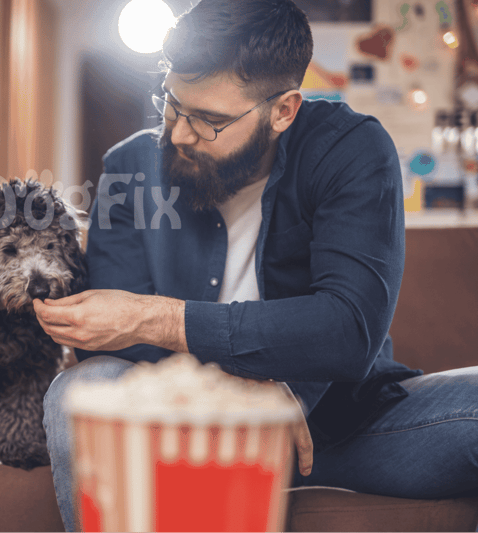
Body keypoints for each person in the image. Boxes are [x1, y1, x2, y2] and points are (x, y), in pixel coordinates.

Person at [33, 0, 478, 531]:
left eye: (211, 120)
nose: (179, 133)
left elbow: (347, 328)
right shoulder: (129, 167)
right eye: (172, 103)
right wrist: (236, 395)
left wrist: (164, 320)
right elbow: (112, 337)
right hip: (180, 425)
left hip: (338, 426)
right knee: (80, 389)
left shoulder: (351, 150)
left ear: (283, 110)